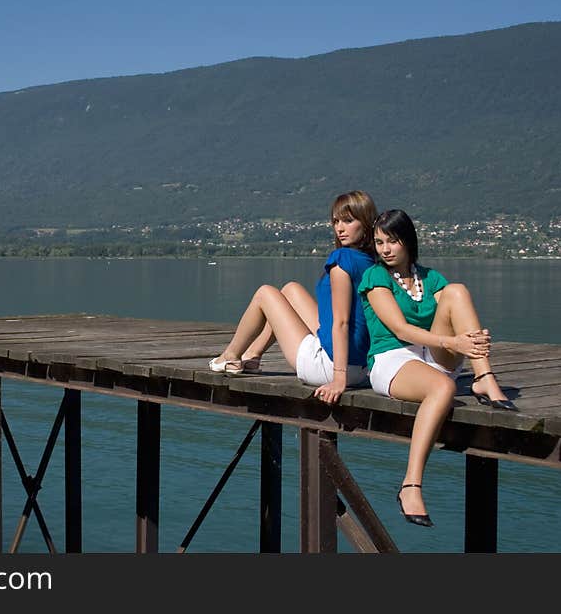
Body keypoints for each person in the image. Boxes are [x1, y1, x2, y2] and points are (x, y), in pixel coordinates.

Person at [358, 209, 517, 528]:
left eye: (392, 241)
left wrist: (472, 339)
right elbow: (401, 330)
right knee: (442, 388)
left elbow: (458, 316)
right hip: (392, 359)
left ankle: (484, 377)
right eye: (379, 242)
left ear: (408, 241)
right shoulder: (375, 278)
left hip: (431, 355)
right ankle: (411, 485)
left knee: (457, 291)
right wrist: (454, 344)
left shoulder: (430, 278)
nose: (385, 249)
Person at [208, 190, 378, 404]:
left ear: (366, 222)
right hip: (363, 369)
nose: (340, 228)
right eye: (336, 221)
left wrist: (339, 379)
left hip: (330, 367)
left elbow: (342, 323)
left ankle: (230, 356)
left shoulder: (342, 259)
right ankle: (253, 355)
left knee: (265, 294)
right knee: (290, 290)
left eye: (348, 220)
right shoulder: (373, 263)